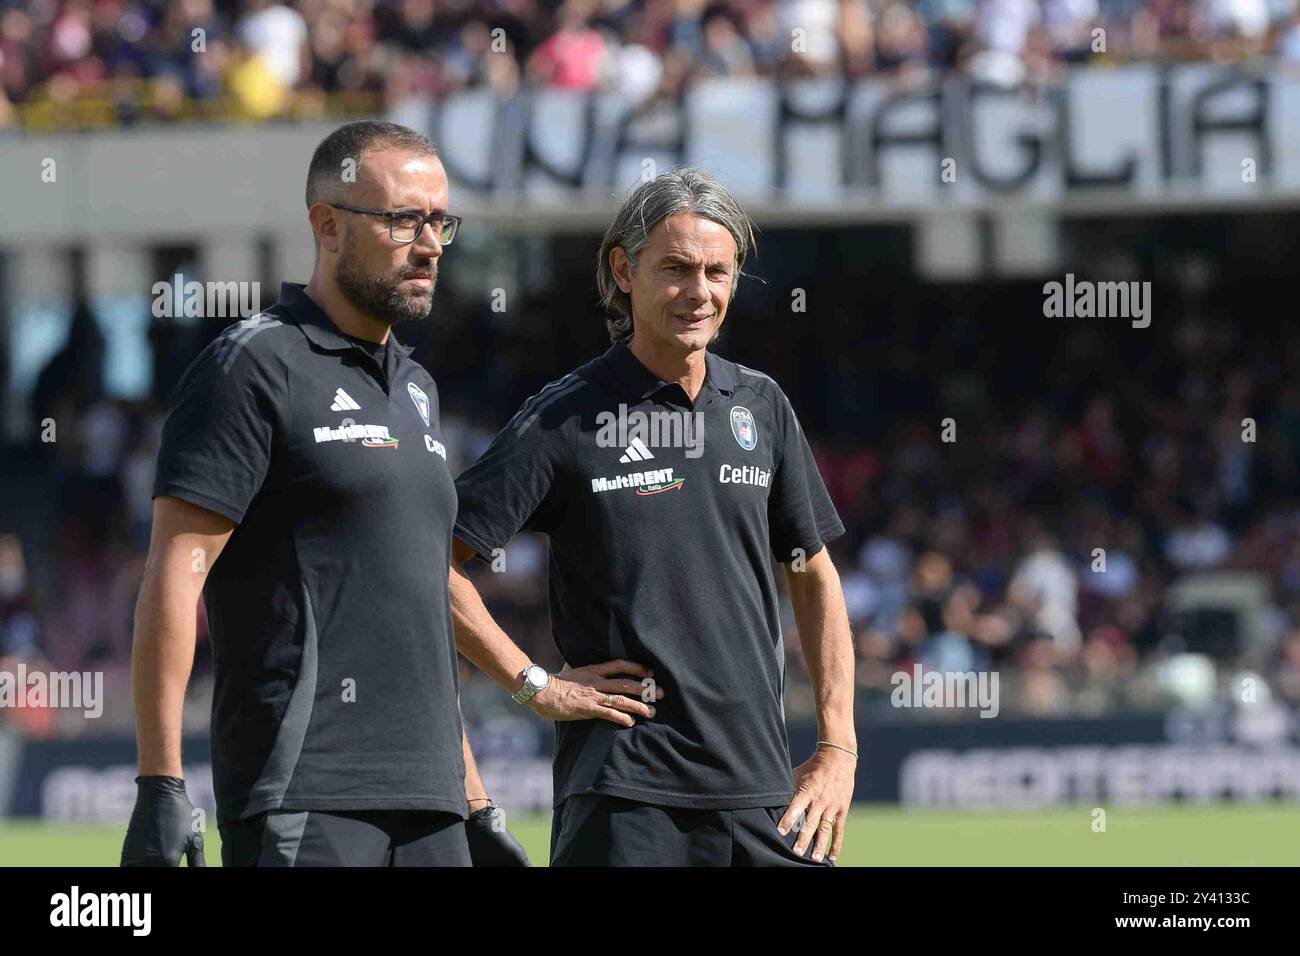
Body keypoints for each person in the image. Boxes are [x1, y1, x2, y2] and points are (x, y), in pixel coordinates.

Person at [121, 120, 526, 867]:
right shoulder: (250, 365)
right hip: (304, 795)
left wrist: (473, 801)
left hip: (434, 805)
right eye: (405, 219)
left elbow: (415, 615)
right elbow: (174, 578)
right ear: (328, 225)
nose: (431, 243)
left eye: (440, 221)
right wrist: (160, 782)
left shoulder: (419, 388)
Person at [449, 166, 857, 866]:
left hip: (765, 797)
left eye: (718, 272)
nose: (700, 292)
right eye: (675, 268)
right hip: (625, 799)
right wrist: (534, 683)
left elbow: (814, 575)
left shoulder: (760, 406)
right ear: (623, 270)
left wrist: (837, 746)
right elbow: (432, 563)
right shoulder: (564, 416)